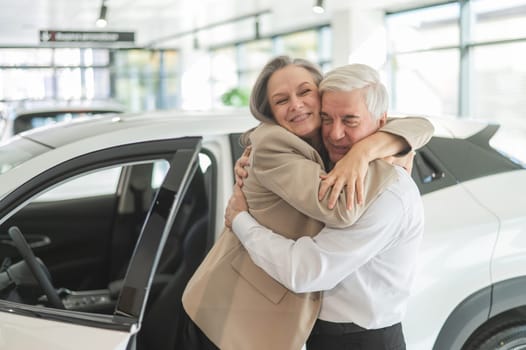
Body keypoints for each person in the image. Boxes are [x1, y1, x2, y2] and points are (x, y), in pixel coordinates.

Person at [182, 56, 433, 350]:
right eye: (328, 119)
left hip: (361, 338)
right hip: (239, 317)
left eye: (304, 92)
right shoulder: (309, 153)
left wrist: (365, 151)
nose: (335, 132)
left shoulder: (385, 190)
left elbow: (308, 269)